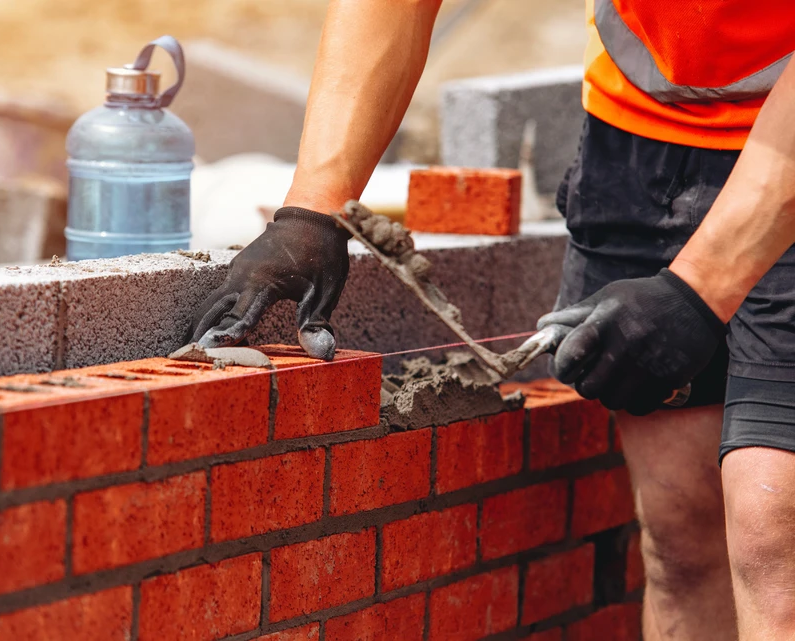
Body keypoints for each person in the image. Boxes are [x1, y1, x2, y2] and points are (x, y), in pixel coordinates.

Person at [189, 2, 795, 638]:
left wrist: (698, 289)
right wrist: (312, 210)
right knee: (680, 541)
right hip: (643, 140)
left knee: (773, 547)